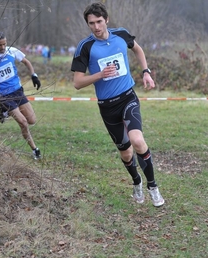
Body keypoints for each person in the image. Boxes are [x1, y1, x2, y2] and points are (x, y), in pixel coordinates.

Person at [71, 2, 165, 207]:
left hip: (128, 97)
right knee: (126, 152)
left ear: (106, 20)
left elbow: (138, 50)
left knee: (137, 141)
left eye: (99, 22)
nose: (96, 27)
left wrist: (146, 72)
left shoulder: (121, 35)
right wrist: (99, 75)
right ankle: (136, 181)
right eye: (91, 23)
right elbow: (77, 83)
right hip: (107, 106)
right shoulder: (85, 47)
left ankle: (153, 187)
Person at [0, 32, 42, 160]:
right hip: (5, 96)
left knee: (32, 120)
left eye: (5, 44)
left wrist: (34, 76)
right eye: (0, 45)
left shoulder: (12, 51)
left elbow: (26, 62)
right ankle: (35, 149)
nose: (3, 47)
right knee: (23, 122)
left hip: (18, 91)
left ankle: (3, 110)